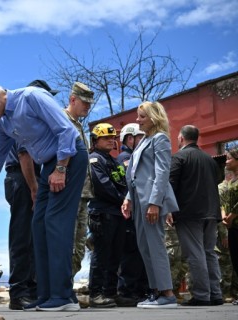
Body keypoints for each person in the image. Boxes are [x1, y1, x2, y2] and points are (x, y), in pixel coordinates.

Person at [0, 80, 88, 312]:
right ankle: (46, 295)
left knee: (56, 224)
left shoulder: (32, 97)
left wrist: (62, 169)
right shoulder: (3, 124)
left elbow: (66, 130)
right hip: (48, 165)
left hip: (70, 158)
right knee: (38, 225)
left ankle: (64, 296)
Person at [4, 79, 58, 310]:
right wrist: (35, 189)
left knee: (35, 237)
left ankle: (34, 288)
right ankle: (19, 292)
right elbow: (25, 156)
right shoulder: (24, 117)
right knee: (22, 236)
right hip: (23, 177)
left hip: (32, 177)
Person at [121, 101, 178, 309]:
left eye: (142, 116)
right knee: (145, 248)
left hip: (150, 200)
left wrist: (155, 202)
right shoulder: (145, 140)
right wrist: (128, 197)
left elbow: (162, 172)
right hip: (139, 200)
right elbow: (136, 172)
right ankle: (156, 292)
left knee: (155, 246)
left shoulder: (160, 139)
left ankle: (168, 293)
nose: (137, 120)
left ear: (154, 117)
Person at [169, 125, 223, 306]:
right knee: (210, 253)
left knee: (196, 253)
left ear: (181, 138)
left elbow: (170, 184)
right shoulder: (210, 160)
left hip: (190, 213)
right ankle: (215, 294)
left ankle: (201, 295)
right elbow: (216, 181)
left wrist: (168, 209)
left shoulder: (179, 157)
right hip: (211, 213)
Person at [87, 123, 128, 308]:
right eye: (106, 138)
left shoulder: (113, 160)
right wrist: (124, 200)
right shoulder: (94, 159)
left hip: (118, 214)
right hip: (102, 213)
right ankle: (95, 294)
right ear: (96, 141)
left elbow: (124, 183)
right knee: (101, 255)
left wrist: (128, 199)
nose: (111, 141)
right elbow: (103, 186)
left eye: (113, 138)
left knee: (115, 255)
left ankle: (110, 293)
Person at [62, 82, 95, 279]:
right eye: (84, 103)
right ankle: (61, 288)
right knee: (67, 243)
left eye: (90, 104)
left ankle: (68, 286)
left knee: (79, 246)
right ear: (72, 99)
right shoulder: (63, 121)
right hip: (70, 194)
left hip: (83, 195)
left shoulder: (79, 125)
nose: (88, 107)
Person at [116, 123, 148, 306]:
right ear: (130, 139)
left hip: (136, 214)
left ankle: (138, 290)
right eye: (140, 137)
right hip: (130, 216)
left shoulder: (133, 157)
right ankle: (128, 291)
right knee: (131, 254)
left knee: (138, 254)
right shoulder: (126, 158)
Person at [218, 145, 238, 305]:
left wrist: (231, 216)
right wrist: (225, 216)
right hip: (232, 226)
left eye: (229, 158)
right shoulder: (232, 181)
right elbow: (224, 203)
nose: (226, 161)